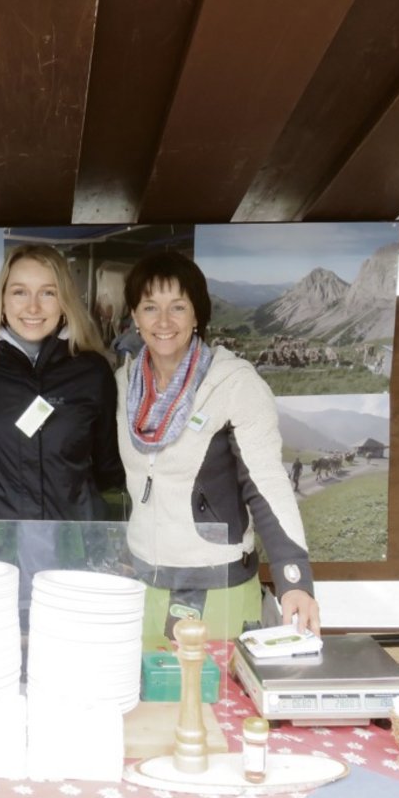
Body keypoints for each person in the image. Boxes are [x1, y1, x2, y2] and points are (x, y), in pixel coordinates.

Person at [116, 251, 319, 645]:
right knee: (151, 699)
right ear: (135, 317)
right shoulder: (124, 384)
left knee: (216, 701)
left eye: (178, 307)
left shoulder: (235, 383)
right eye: (150, 307)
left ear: (197, 316)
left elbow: (266, 482)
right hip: (145, 581)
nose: (163, 321)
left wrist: (294, 576)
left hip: (217, 584)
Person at [0, 245, 125, 607]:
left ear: (64, 301)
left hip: (74, 555)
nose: (32, 307)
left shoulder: (92, 372)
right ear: (3, 299)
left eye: (47, 292)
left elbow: (110, 470)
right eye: (20, 292)